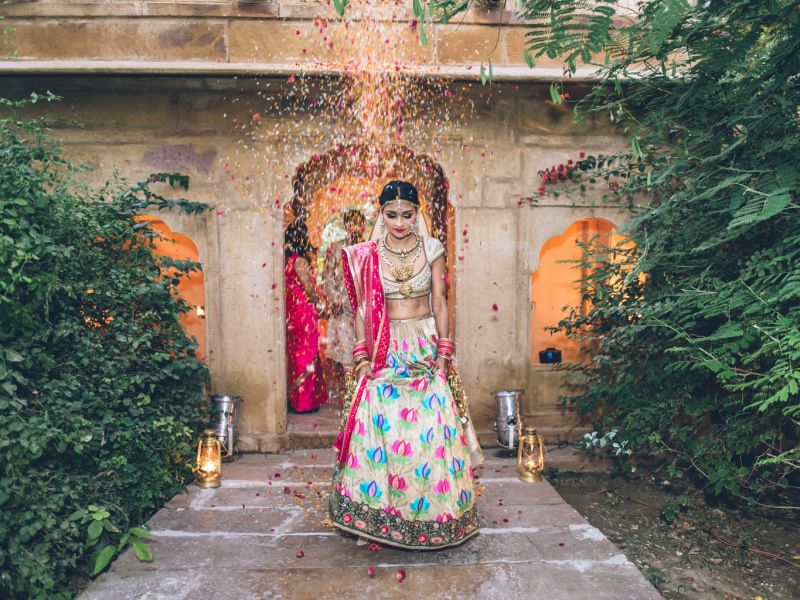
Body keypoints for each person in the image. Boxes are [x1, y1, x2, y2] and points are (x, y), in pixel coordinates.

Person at [328, 180, 483, 550]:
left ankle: (432, 514)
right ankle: (380, 514)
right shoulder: (367, 254)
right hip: (386, 343)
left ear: (418, 214)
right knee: (380, 422)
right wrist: (363, 356)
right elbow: (364, 308)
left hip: (425, 343)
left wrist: (444, 353)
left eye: (407, 215)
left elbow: (441, 300)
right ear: (380, 214)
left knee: (431, 424)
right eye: (391, 214)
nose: (399, 222)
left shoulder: (432, 248)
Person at [322, 209, 366, 406]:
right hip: (343, 310)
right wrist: (336, 300)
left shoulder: (370, 249)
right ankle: (350, 401)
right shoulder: (335, 249)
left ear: (364, 226)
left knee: (365, 356)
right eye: (352, 223)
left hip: (365, 312)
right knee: (348, 358)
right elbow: (327, 280)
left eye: (359, 223)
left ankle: (363, 399)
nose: (355, 227)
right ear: (346, 226)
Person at [284, 220, 327, 413]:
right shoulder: (300, 261)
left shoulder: (285, 260)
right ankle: (305, 402)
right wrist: (319, 304)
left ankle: (294, 398)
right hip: (302, 312)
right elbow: (308, 288)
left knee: (295, 353)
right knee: (307, 352)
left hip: (290, 311)